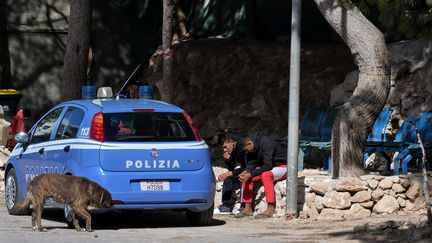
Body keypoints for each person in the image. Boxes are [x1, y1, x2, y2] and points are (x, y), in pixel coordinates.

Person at [234, 131, 287, 219]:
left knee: (266, 175)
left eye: (246, 150)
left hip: (284, 166)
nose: (246, 152)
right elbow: (252, 163)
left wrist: (250, 174)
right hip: (271, 167)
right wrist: (247, 171)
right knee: (246, 176)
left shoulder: (267, 144)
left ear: (249, 144)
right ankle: (248, 209)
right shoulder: (252, 147)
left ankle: (271, 209)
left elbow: (267, 165)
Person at [213, 130, 254, 214]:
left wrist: (229, 173)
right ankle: (226, 206)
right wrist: (228, 160)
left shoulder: (243, 146)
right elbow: (233, 168)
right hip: (241, 172)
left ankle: (243, 206)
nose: (224, 150)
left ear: (231, 142)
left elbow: (246, 166)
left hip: (251, 171)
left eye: (225, 146)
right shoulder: (234, 150)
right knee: (229, 179)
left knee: (241, 178)